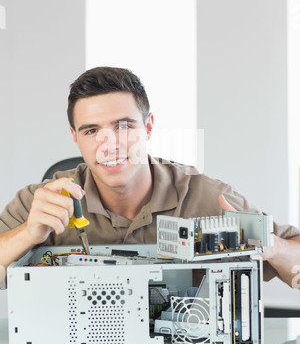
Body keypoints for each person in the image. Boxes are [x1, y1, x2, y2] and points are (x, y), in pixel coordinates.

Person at [0, 67, 299, 288]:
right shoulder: (41, 202)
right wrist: (28, 233)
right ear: (75, 138)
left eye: (124, 126)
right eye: (92, 131)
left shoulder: (207, 196)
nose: (110, 144)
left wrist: (271, 247)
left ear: (149, 126)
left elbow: (292, 254)